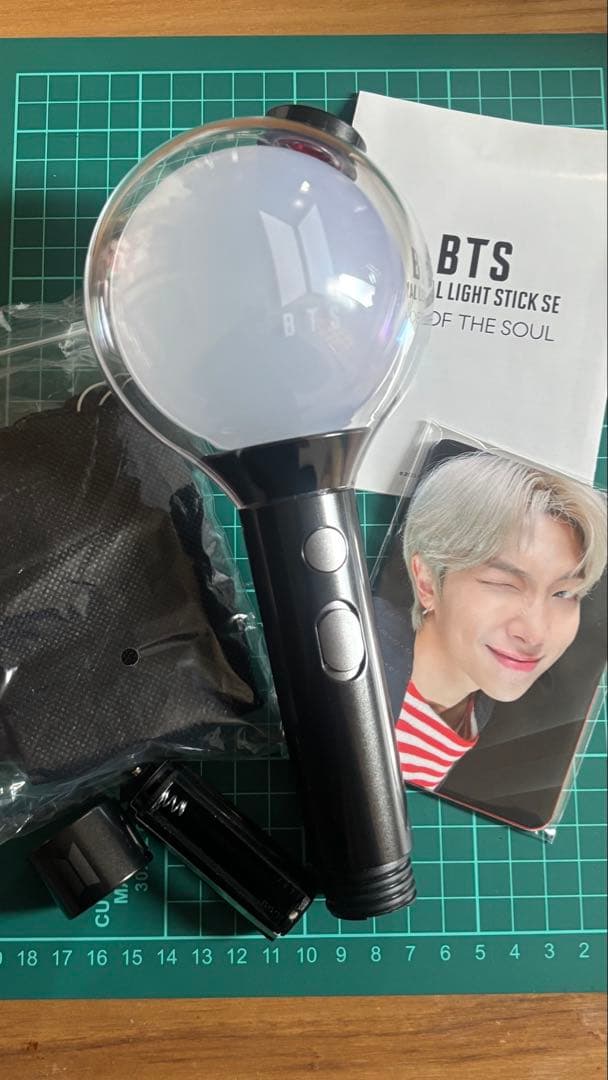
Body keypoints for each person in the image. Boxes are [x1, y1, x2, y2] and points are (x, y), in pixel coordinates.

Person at [386, 451, 607, 793]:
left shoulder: (479, 705)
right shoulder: (366, 668)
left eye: (564, 593)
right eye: (504, 585)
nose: (535, 634)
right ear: (427, 581)